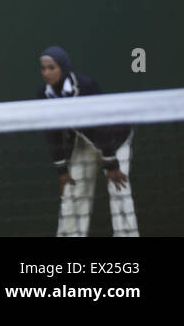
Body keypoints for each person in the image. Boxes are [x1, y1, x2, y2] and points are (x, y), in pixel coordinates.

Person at [37, 46, 138, 237]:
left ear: (63, 68)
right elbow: (52, 133)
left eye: (52, 68)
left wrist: (111, 162)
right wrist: (62, 169)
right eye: (43, 68)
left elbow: (102, 126)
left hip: (115, 140)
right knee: (73, 193)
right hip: (86, 142)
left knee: (119, 190)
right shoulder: (44, 94)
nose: (46, 73)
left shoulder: (87, 86)